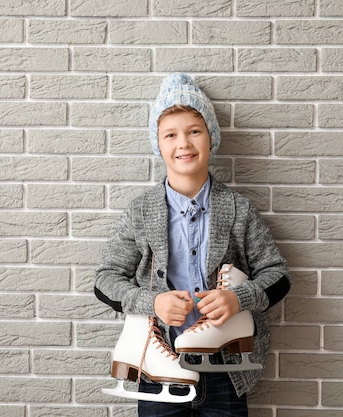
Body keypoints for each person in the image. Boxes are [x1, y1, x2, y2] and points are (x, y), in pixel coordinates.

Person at [94, 73, 290, 417]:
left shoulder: (238, 209)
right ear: (158, 144)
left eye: (194, 131)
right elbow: (105, 280)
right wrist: (153, 302)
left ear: (211, 138)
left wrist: (237, 298)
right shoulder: (141, 211)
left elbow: (277, 275)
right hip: (158, 367)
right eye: (171, 134)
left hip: (225, 370)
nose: (183, 142)